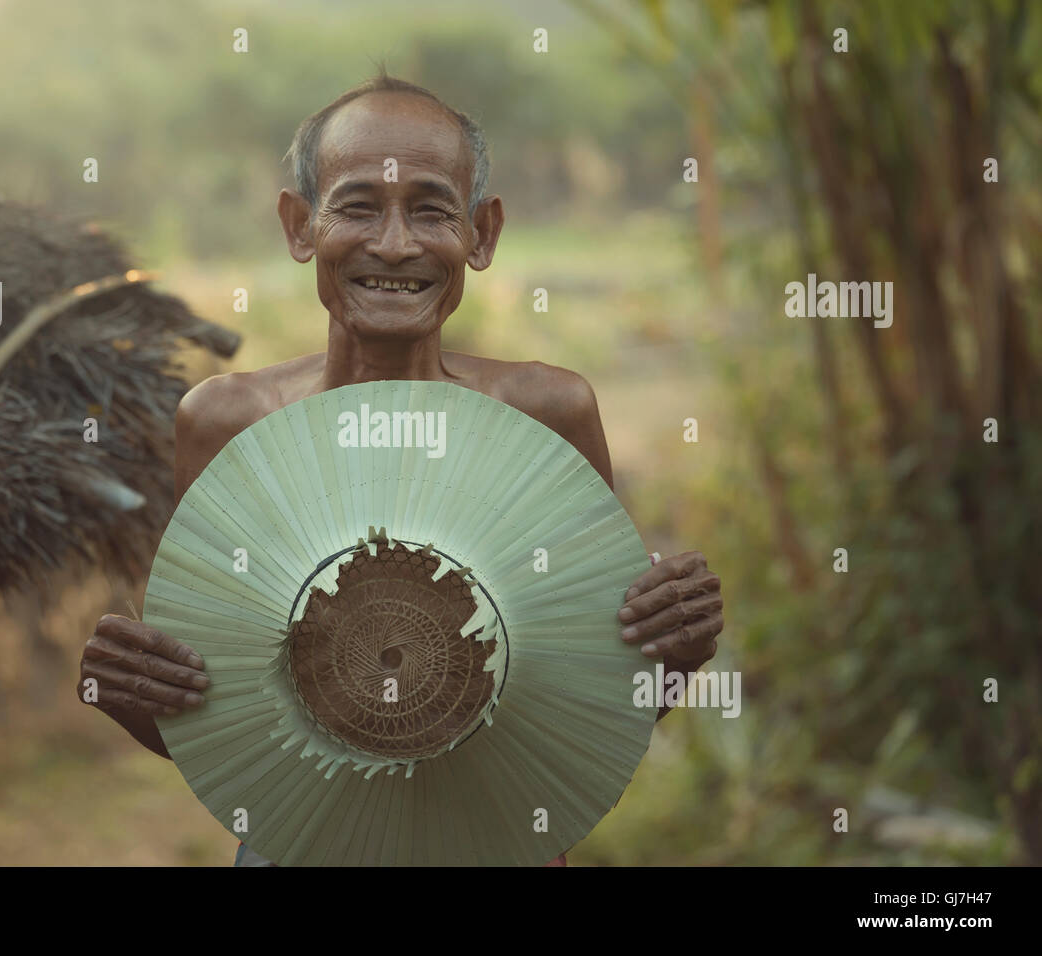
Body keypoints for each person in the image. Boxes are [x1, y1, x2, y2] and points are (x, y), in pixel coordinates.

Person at [78, 72, 724, 866]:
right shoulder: (226, 424)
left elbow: (589, 706)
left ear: (481, 235)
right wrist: (128, 695)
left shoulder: (548, 415)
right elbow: (221, 727)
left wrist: (674, 655)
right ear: (299, 224)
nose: (393, 244)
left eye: (430, 209)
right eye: (356, 206)